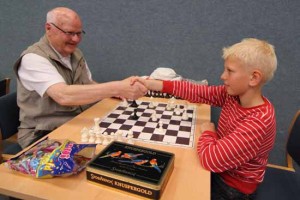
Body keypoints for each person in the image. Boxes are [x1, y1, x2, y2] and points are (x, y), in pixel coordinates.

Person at [133, 38, 277, 199]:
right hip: (221, 169)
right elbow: (198, 92)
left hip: (232, 187)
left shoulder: (259, 121)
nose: (223, 76)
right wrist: (154, 84)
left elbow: (211, 160)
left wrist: (209, 132)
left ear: (254, 78)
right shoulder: (233, 96)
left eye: (230, 71)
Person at [13, 7, 147, 149]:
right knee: (112, 155)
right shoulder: (33, 59)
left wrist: (117, 92)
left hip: (76, 122)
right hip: (43, 134)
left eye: (79, 33)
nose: (76, 39)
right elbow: (63, 95)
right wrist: (116, 87)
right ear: (48, 28)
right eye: (70, 33)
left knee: (130, 143)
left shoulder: (75, 54)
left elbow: (88, 83)